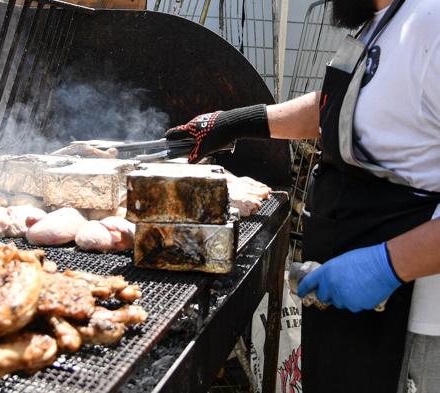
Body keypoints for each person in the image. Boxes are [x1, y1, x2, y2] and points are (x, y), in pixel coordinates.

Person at [165, 0, 440, 392]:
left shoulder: (432, 22)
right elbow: (343, 107)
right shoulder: (383, 21)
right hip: (353, 311)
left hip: (415, 324)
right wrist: (232, 123)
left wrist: (386, 264)